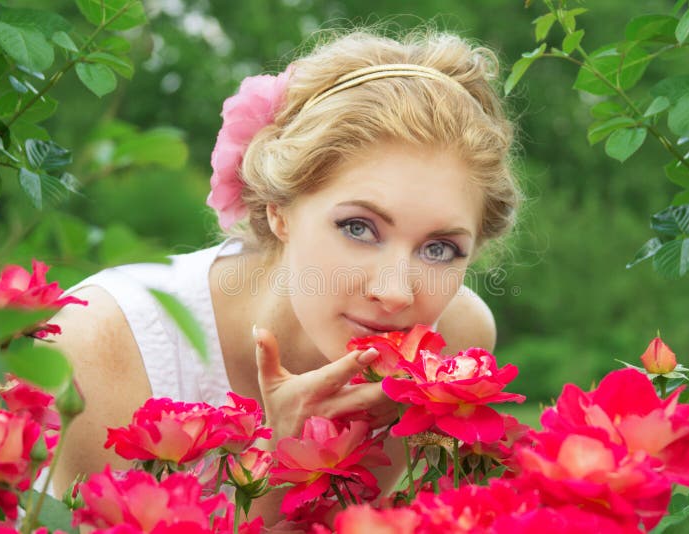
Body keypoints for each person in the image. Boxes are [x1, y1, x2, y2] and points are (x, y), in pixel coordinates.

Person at [46, 27, 520, 524]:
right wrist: (277, 473)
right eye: (359, 227)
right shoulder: (102, 345)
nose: (396, 292)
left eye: (440, 248)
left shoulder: (459, 341)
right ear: (279, 210)